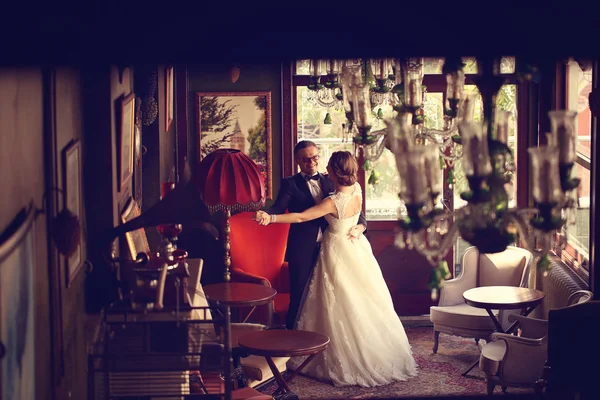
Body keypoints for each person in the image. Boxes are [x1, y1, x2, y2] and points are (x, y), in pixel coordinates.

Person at [254, 151, 418, 387]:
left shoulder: (332, 202)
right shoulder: (358, 189)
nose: (323, 168)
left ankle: (339, 355)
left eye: (328, 165)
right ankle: (375, 351)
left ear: (334, 172)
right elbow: (358, 215)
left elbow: (300, 217)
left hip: (337, 251)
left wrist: (270, 220)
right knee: (361, 300)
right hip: (356, 249)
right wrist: (359, 228)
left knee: (337, 302)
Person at [257, 140, 367, 330]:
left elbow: (357, 213)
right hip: (303, 248)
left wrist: (361, 227)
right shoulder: (289, 183)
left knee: (333, 298)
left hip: (334, 248)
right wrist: (267, 214)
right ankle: (292, 340)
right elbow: (279, 208)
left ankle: (324, 337)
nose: (312, 162)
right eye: (306, 159)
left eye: (315, 157)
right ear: (298, 160)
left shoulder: (331, 179)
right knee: (299, 295)